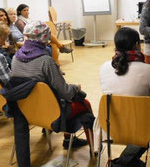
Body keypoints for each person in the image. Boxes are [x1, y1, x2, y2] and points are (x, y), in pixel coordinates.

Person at [10, 21, 93, 149]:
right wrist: (76, 87)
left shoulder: (16, 57)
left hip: (25, 109)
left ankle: (68, 139)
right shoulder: (45, 61)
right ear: (45, 38)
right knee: (84, 102)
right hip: (50, 111)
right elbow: (65, 92)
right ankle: (91, 146)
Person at [98, 27, 150, 158]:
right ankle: (127, 160)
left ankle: (125, 161)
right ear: (137, 45)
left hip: (111, 128)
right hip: (140, 129)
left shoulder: (104, 67)